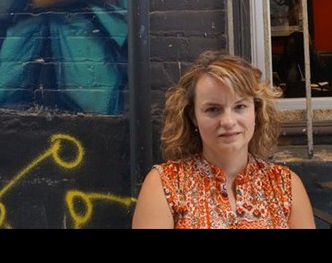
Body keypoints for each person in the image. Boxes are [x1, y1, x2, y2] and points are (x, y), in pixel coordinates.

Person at [131, 50, 316, 229]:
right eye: (213, 109)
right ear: (193, 116)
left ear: (256, 111)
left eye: (240, 106)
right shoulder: (165, 185)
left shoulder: (285, 185)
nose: (228, 121)